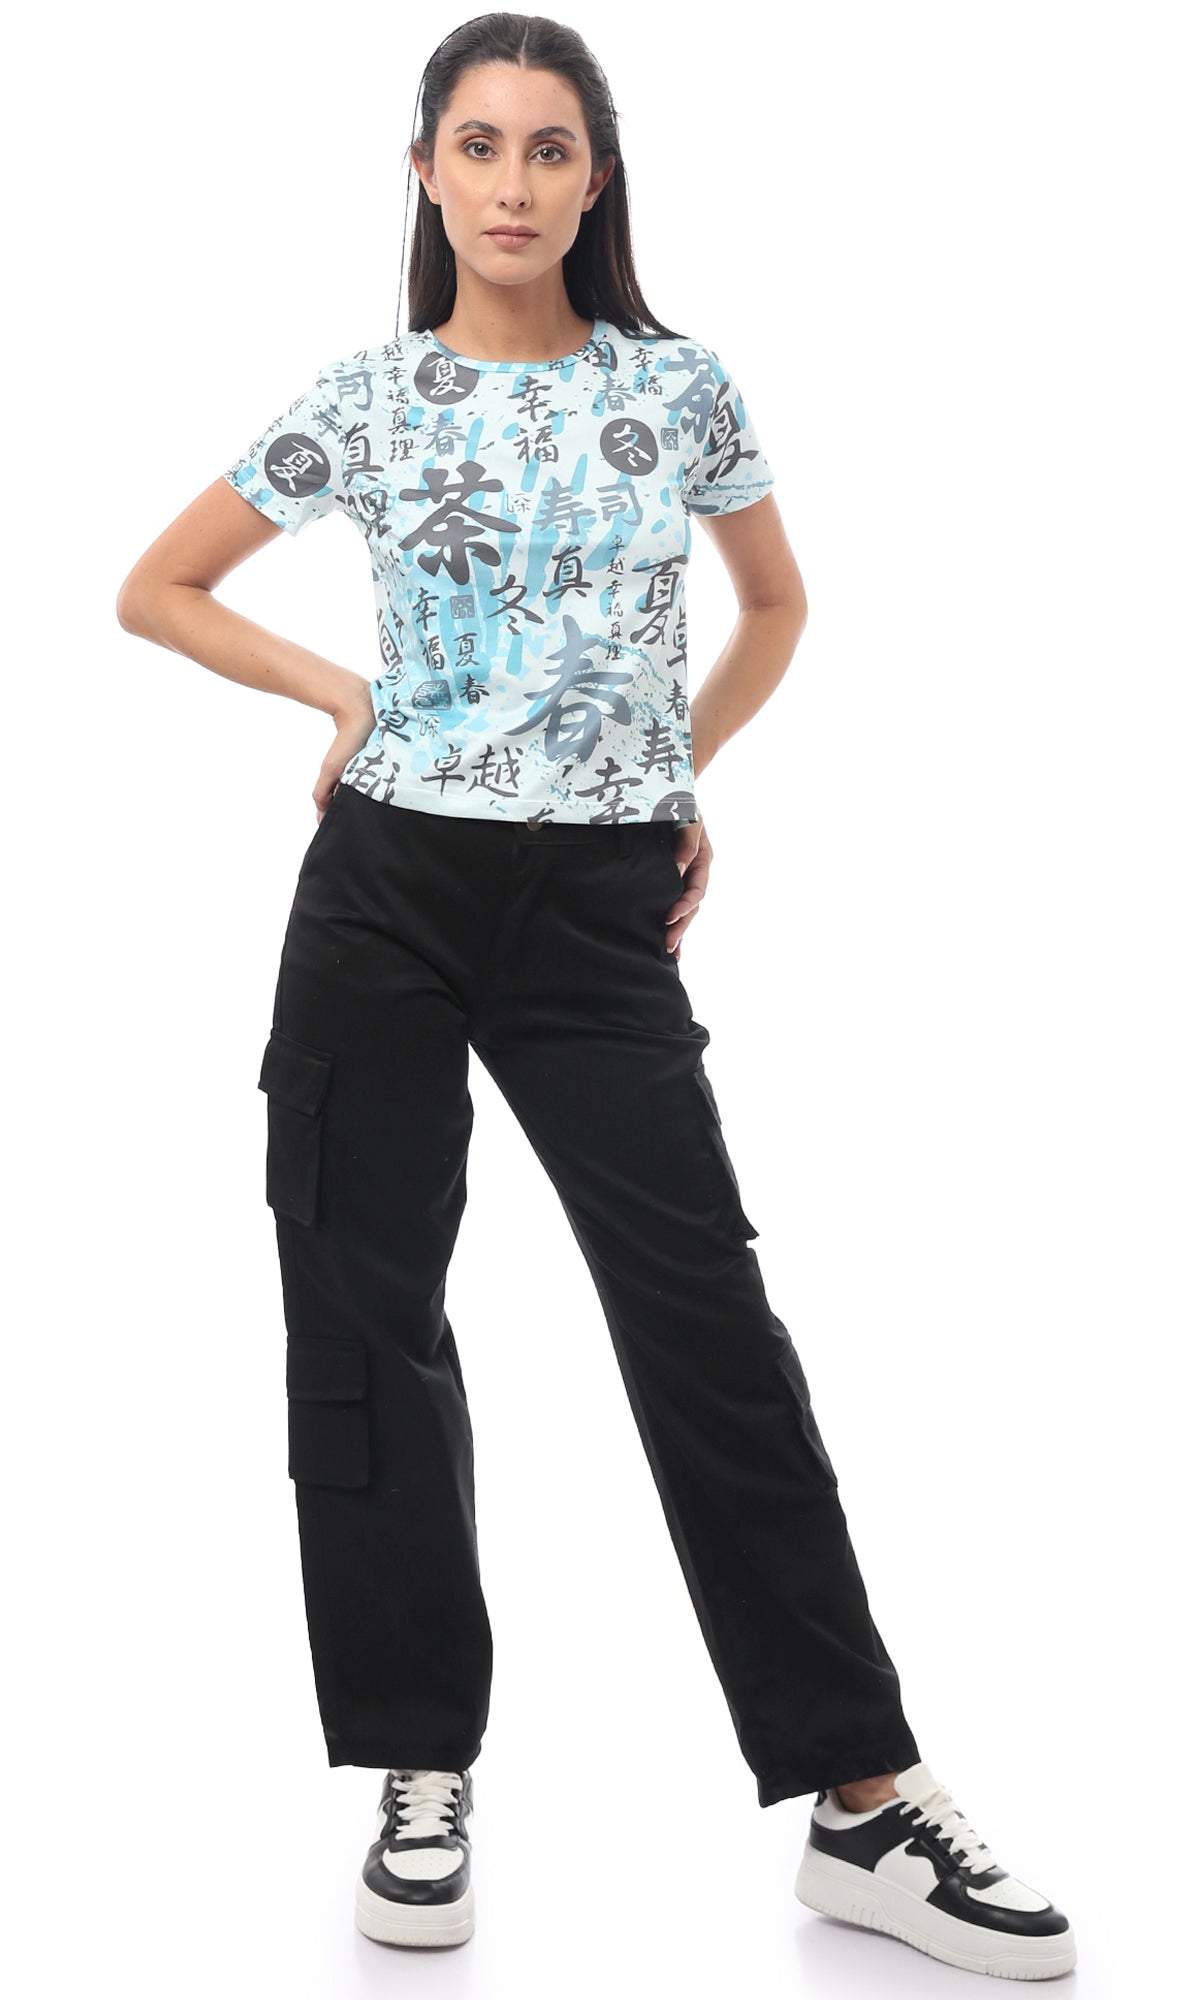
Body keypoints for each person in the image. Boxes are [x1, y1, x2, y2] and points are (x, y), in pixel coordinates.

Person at [115, 10, 1075, 1980]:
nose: (513, 183)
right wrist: (340, 692)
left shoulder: (679, 385)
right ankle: (417, 1765)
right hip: (385, 893)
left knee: (706, 1321)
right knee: (368, 1324)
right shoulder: (367, 395)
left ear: (596, 179)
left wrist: (672, 769)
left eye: (550, 149)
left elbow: (777, 605)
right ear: (424, 171)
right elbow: (159, 586)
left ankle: (863, 1801)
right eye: (477, 145)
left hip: (596, 915)